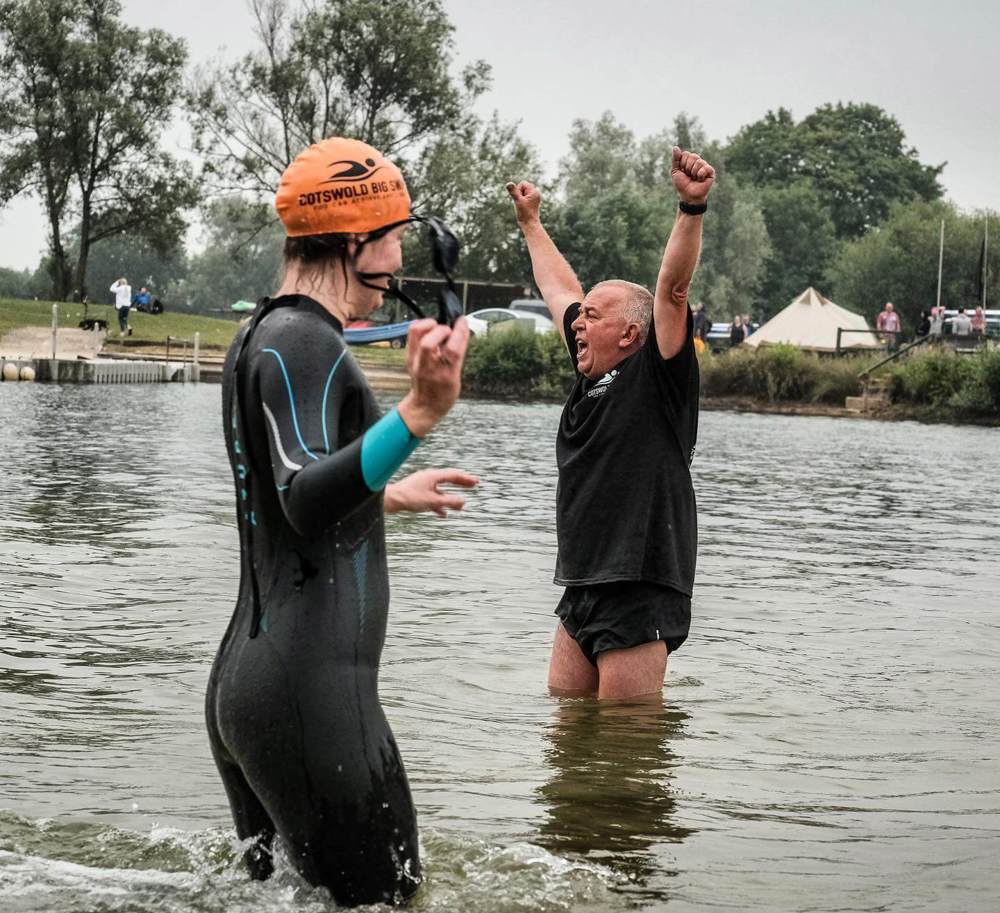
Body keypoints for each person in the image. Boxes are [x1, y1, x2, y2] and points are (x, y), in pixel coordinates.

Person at [207, 137, 475, 906]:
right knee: (394, 903)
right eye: (392, 237)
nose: (397, 261)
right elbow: (299, 496)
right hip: (308, 695)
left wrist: (387, 488)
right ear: (352, 240)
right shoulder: (304, 340)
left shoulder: (262, 333)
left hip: (253, 683)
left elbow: (279, 498)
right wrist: (418, 414)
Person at [506, 146, 713, 701]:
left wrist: (689, 210)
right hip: (583, 581)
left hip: (640, 581)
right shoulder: (589, 378)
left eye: (594, 317)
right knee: (565, 727)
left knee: (625, 745)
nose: (578, 323)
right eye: (583, 316)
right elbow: (558, 290)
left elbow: (671, 290)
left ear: (629, 335)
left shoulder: (657, 375)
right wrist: (531, 224)